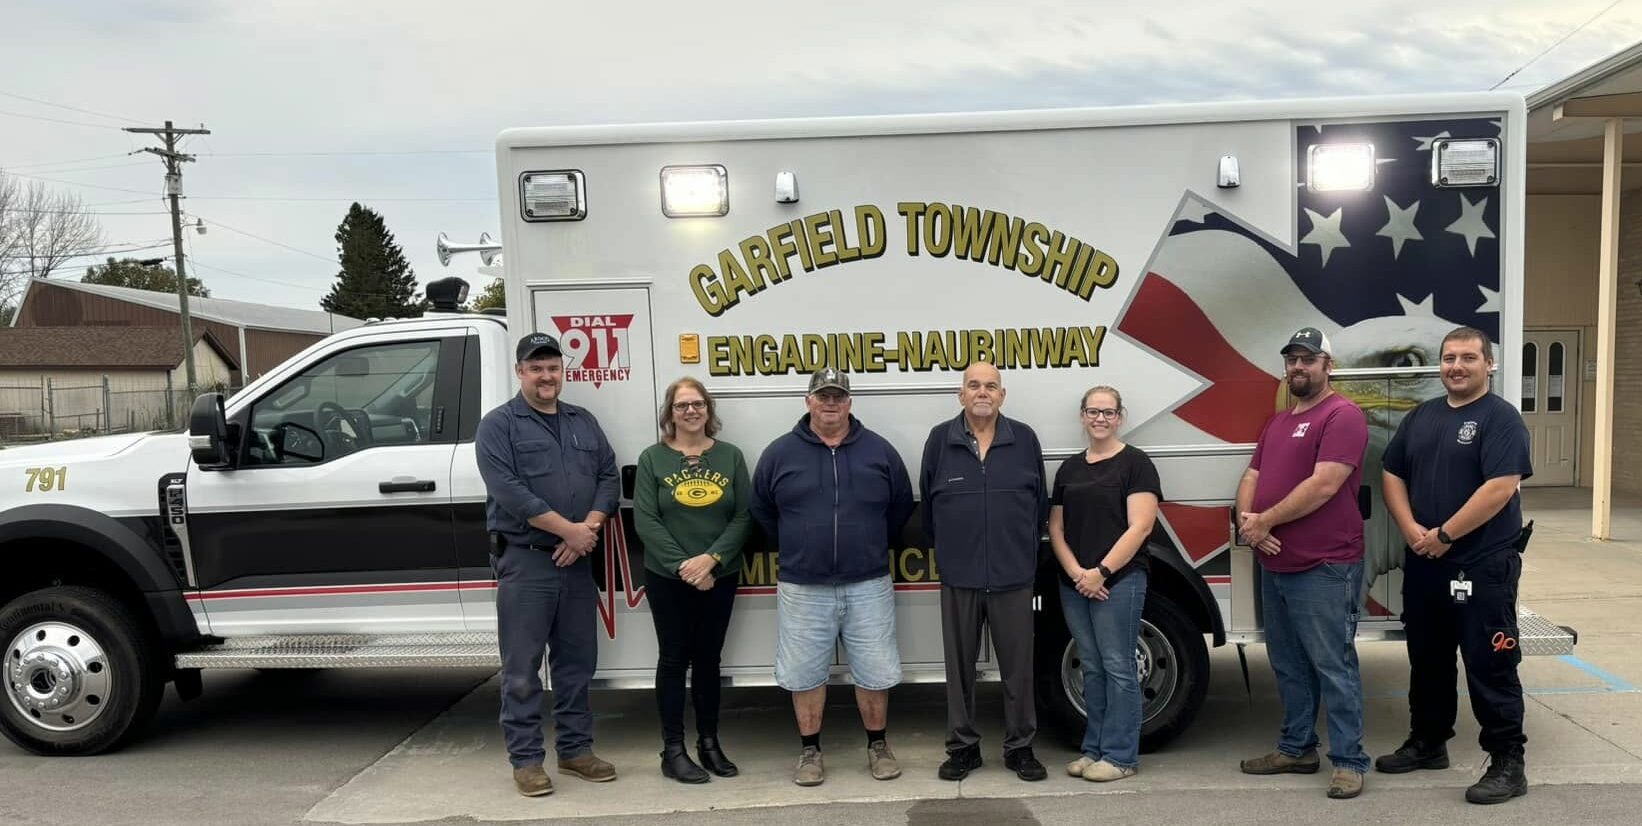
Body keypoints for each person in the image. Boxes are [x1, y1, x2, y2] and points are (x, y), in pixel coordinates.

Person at [1375, 326, 1533, 805]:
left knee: (1491, 662)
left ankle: (1508, 762)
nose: (1457, 366)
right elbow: (1391, 472)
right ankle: (1428, 742)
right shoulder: (1422, 417)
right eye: (1448, 358)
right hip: (1427, 564)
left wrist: (1445, 535)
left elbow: (1500, 487)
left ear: (1489, 365)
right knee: (1428, 660)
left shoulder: (1501, 418)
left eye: (1468, 357)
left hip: (1482, 565)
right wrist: (1410, 529)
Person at [752, 366, 915, 787]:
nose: (830, 403)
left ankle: (878, 746)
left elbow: (898, 508)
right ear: (808, 401)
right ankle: (810, 751)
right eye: (822, 396)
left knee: (875, 671)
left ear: (849, 403)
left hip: (868, 583)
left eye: (838, 396)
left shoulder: (879, 451)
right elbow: (763, 511)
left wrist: (868, 546)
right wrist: (801, 548)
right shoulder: (779, 453)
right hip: (803, 586)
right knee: (805, 674)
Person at [475, 332, 620, 797]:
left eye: (552, 367)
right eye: (536, 367)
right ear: (520, 372)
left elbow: (607, 477)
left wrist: (586, 532)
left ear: (563, 370)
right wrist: (568, 531)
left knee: (577, 664)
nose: (545, 376)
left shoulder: (583, 421)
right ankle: (527, 761)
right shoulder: (499, 426)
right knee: (521, 669)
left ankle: (576, 751)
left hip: (576, 561)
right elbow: (509, 491)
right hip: (527, 562)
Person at [1235, 327, 1371, 800]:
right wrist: (1248, 525)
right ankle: (1297, 748)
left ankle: (1350, 760)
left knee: (1333, 665)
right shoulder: (1276, 423)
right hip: (1277, 565)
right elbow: (1252, 474)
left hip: (1325, 565)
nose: (1298, 366)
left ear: (1327, 366)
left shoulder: (1343, 415)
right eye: (1292, 358)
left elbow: (1325, 485)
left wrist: (1264, 522)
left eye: (1308, 359)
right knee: (1288, 664)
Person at [921, 362, 1049, 782]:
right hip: (959, 576)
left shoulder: (1024, 439)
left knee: (1019, 669)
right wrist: (950, 554)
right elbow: (929, 504)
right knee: (959, 671)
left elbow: (1039, 508)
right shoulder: (940, 439)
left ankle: (1020, 748)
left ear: (1002, 395)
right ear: (961, 394)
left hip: (1014, 576)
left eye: (990, 386)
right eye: (973, 385)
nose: (982, 392)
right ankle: (962, 748)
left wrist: (1023, 555)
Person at [632, 377, 752, 784]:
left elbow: (743, 516)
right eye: (682, 405)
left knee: (708, 659)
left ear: (709, 410)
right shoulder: (652, 459)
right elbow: (645, 520)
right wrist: (686, 566)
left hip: (720, 574)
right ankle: (673, 750)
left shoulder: (731, 456)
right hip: (668, 577)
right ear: (670, 413)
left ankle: (709, 743)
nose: (691, 411)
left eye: (698, 404)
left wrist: (712, 560)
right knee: (672, 660)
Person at [1048, 385, 1160, 784]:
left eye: (1108, 412)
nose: (1100, 418)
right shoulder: (1069, 469)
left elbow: (1141, 526)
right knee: (1092, 667)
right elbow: (1056, 528)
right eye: (1093, 411)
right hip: (1075, 582)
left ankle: (1121, 755)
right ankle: (1093, 749)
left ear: (1120, 417)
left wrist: (1102, 572)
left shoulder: (1136, 464)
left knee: (1118, 666)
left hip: (1120, 581)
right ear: (1082, 416)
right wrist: (1078, 573)